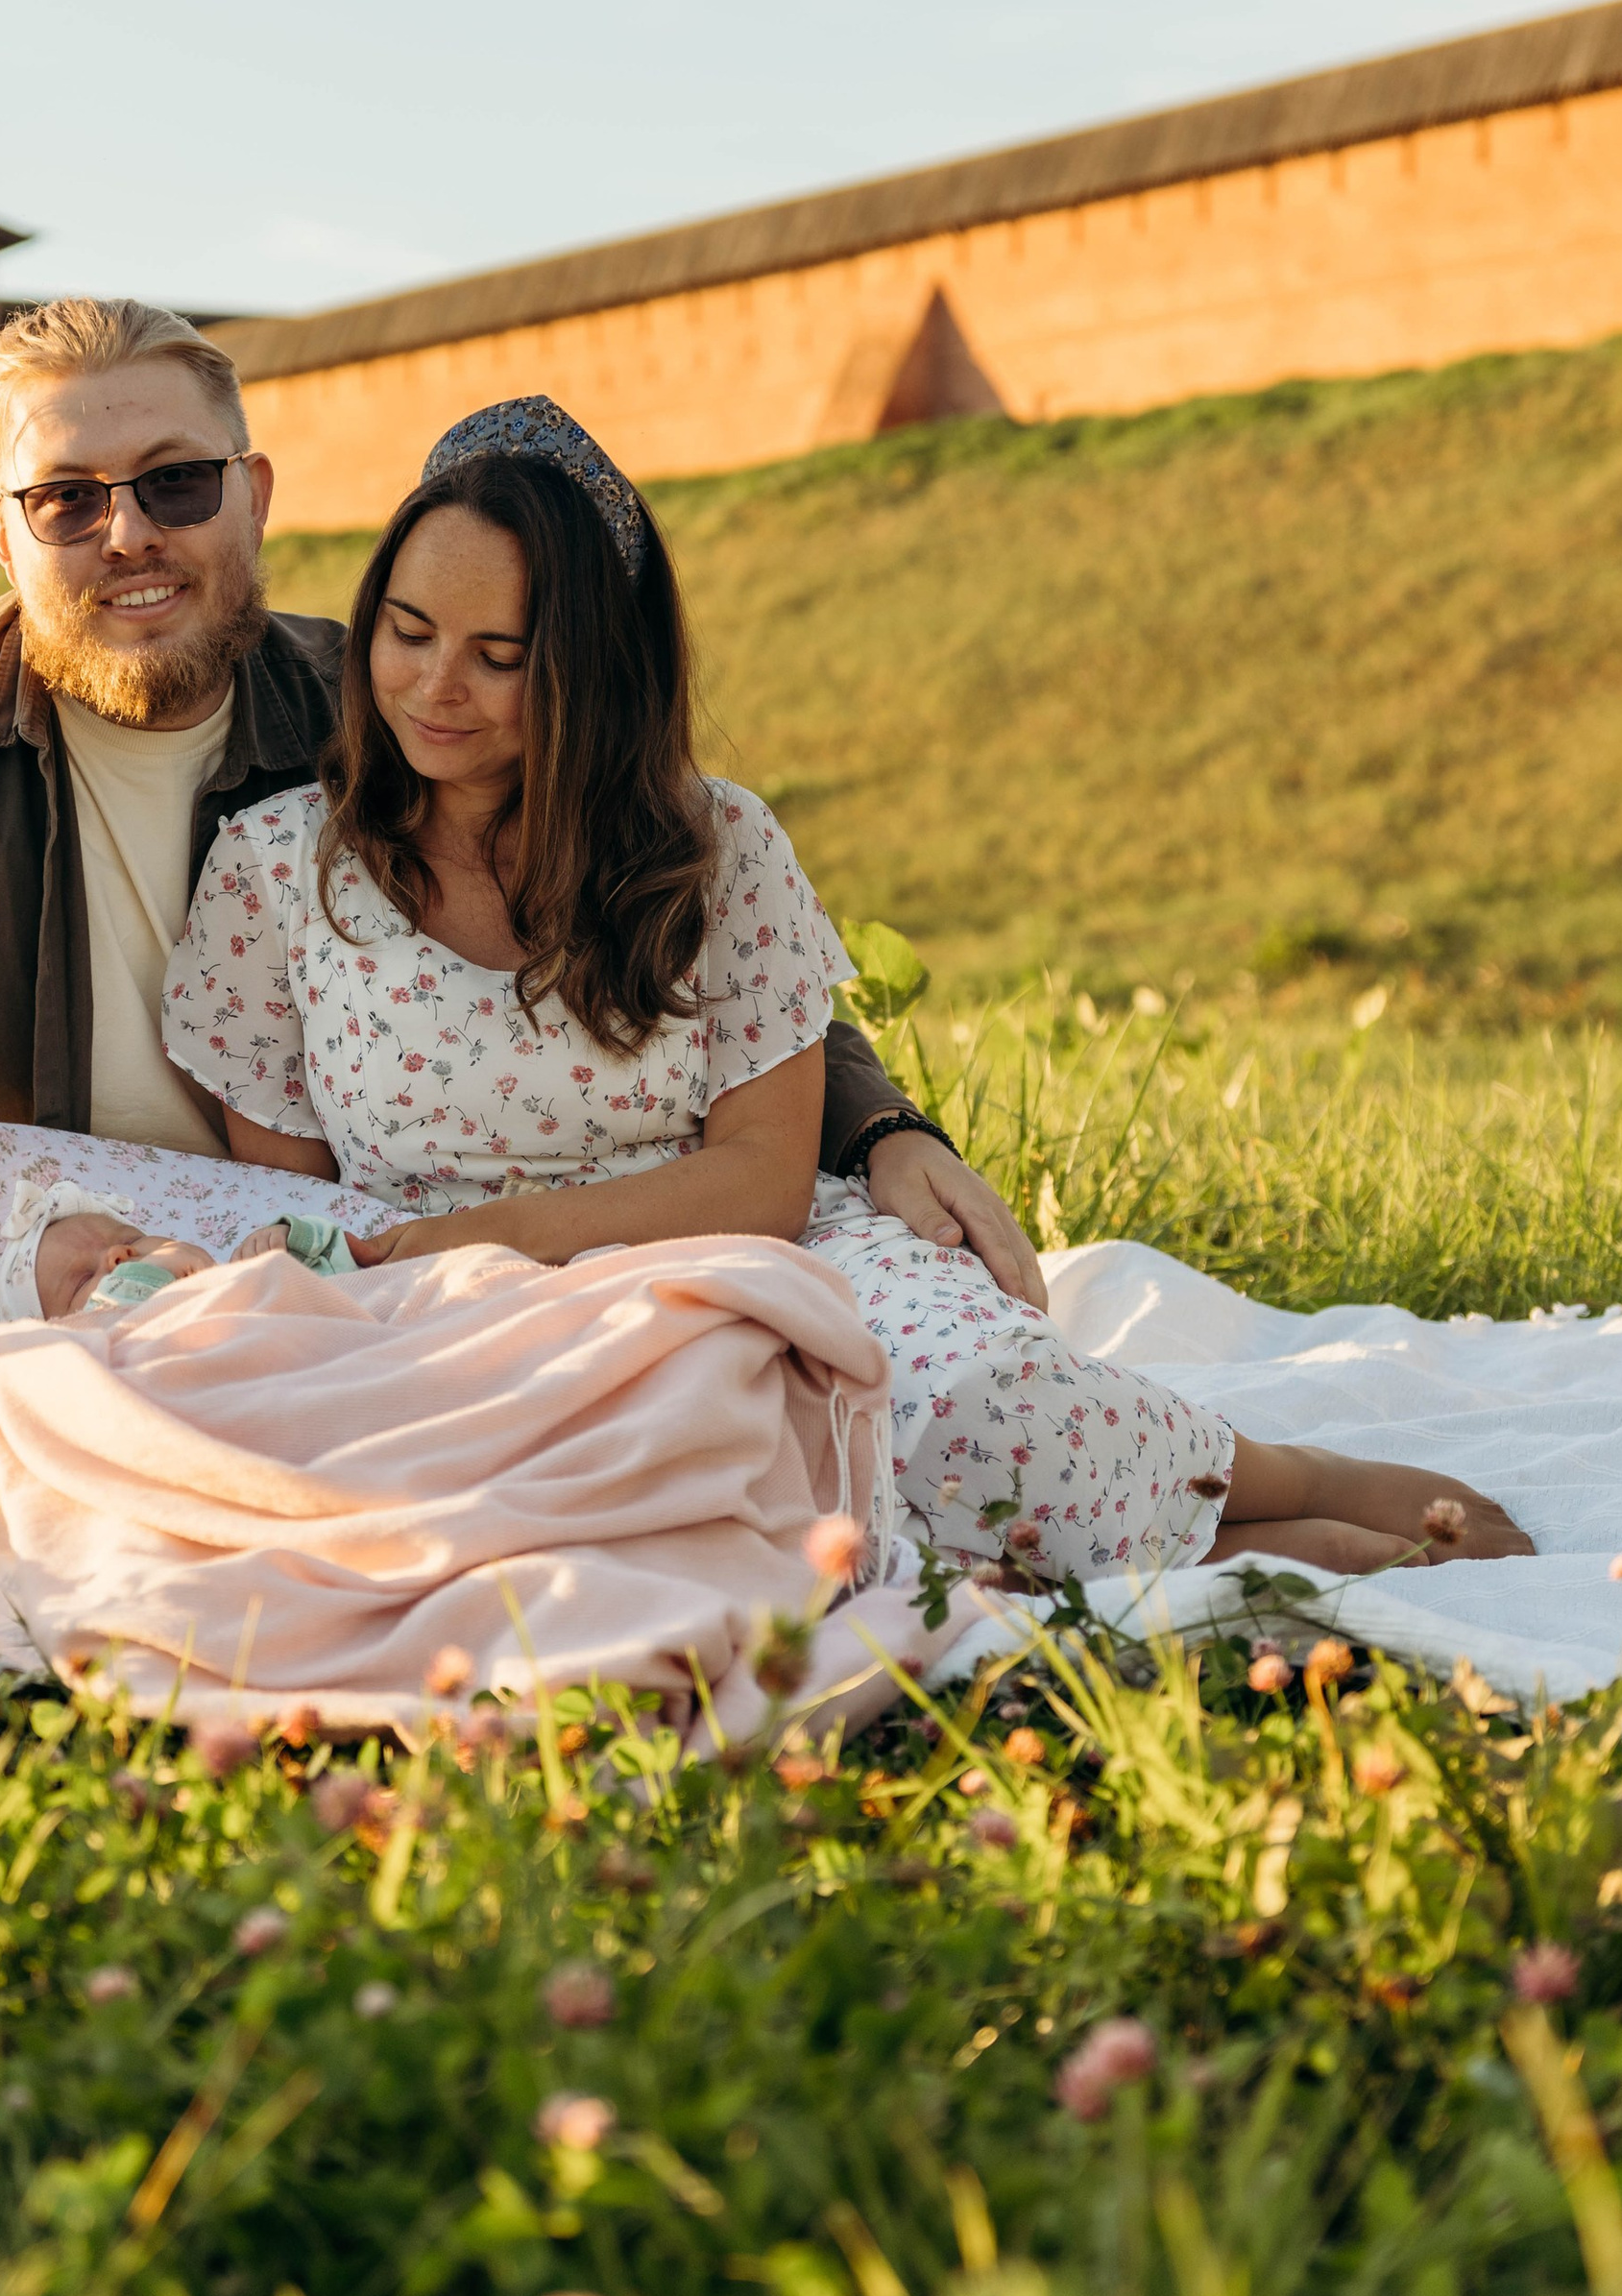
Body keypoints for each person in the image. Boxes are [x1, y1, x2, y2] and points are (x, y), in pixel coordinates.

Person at [0, 300, 1039, 1511]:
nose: (129, 533)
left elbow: (676, 896)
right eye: (67, 500)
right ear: (1, 533)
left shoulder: (390, 705)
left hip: (359, 1274)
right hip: (104, 1288)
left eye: (177, 483)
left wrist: (880, 1126)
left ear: (254, 493)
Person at [164, 398, 1533, 1584]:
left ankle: (1281, 1482)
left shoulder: (717, 848)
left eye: (498, 657)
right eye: (405, 632)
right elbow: (304, 1204)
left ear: (590, 670)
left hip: (757, 1260)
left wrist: (526, 1227)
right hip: (478, 1318)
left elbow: (761, 1175)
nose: (431, 686)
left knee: (983, 1418)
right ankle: (1231, 1555)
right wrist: (470, 1278)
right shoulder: (279, 873)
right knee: (742, 1511)